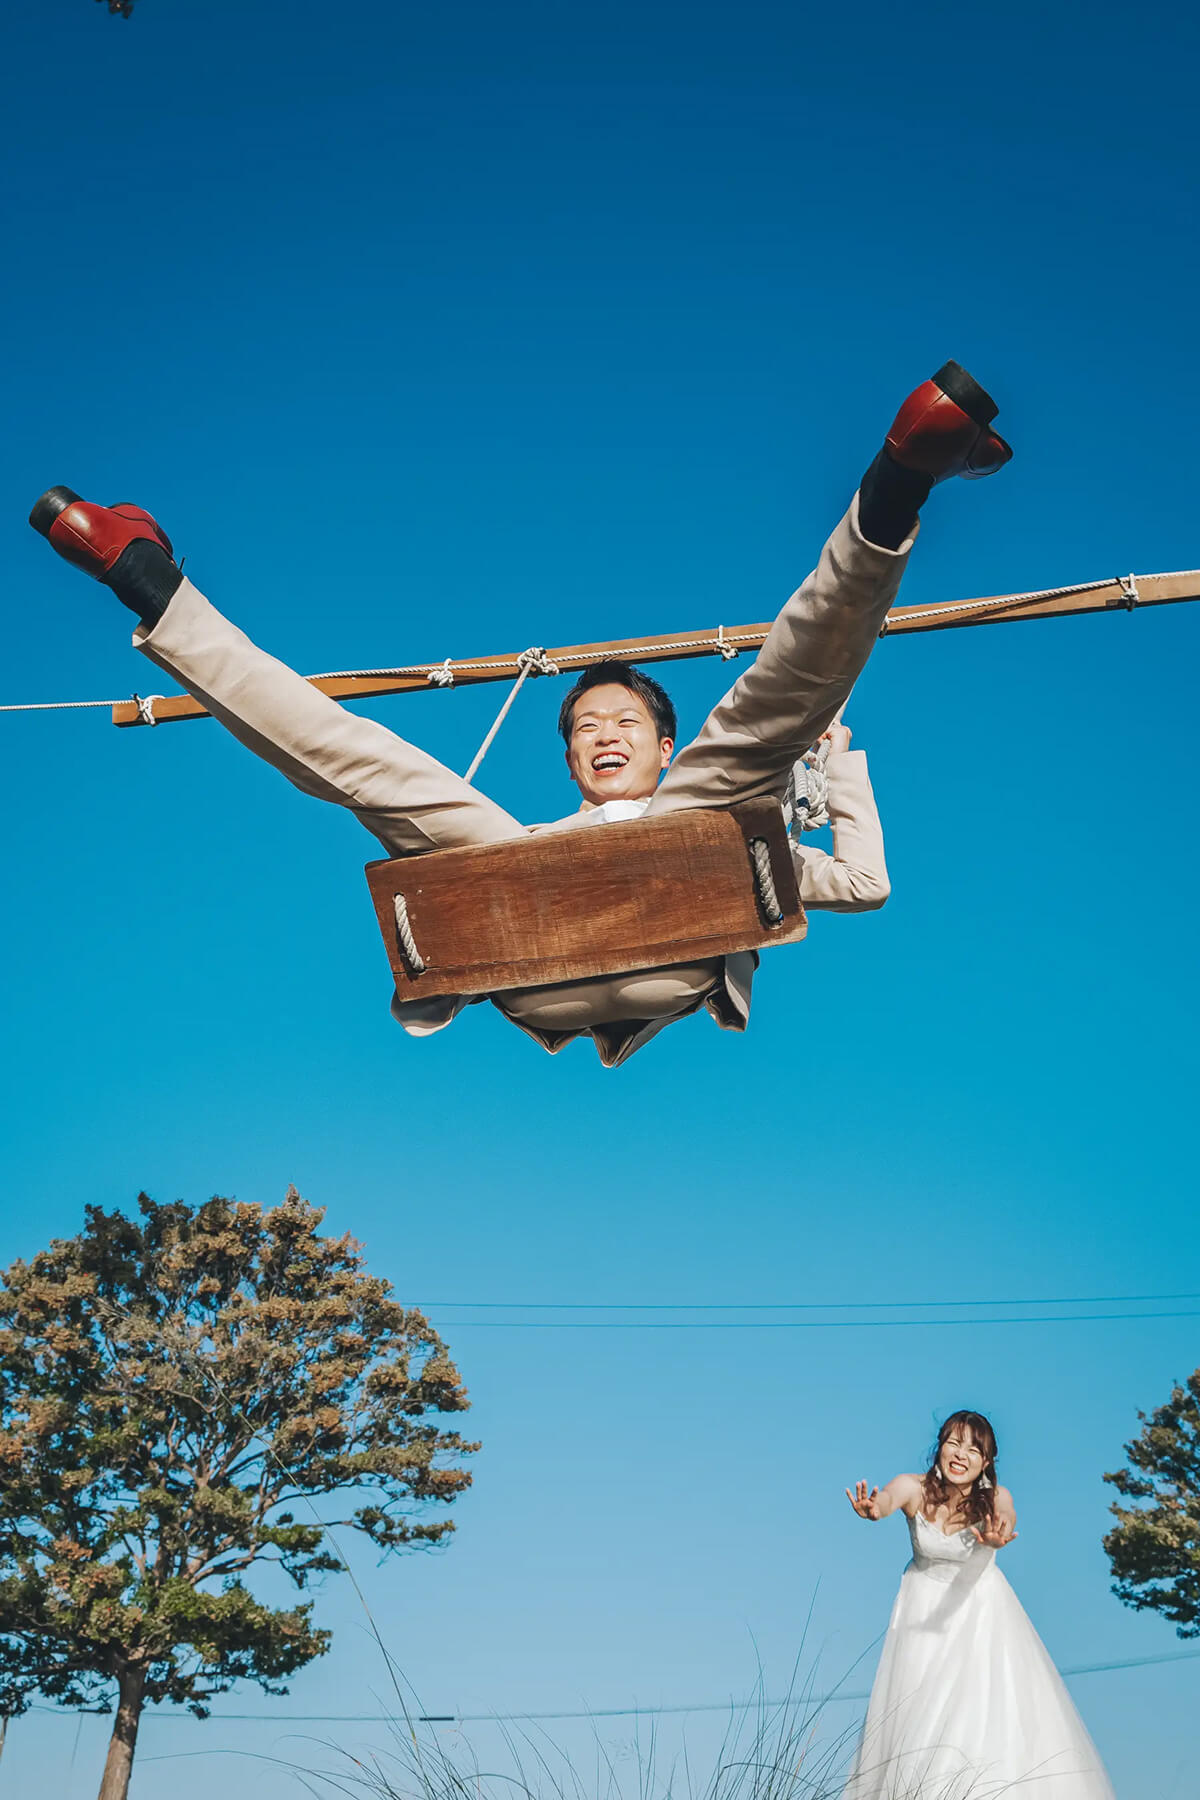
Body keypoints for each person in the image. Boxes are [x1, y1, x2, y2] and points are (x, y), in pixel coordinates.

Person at [30, 360, 1010, 1066]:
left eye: (625, 722)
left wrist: (834, 765)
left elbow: (864, 882)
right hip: (547, 937)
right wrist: (827, 766)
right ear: (576, 761)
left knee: (752, 728)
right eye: (588, 727)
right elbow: (869, 884)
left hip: (605, 927)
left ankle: (160, 592)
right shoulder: (536, 842)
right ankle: (898, 484)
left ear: (664, 748)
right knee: (374, 763)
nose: (607, 734)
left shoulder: (688, 816)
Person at [843, 1411, 1115, 1799]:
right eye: (953, 1442)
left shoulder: (996, 1498)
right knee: (917, 1725)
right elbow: (886, 1500)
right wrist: (874, 1509)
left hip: (981, 1621)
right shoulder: (913, 1487)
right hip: (920, 1623)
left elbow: (1005, 1517)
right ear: (939, 1447)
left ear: (986, 1462)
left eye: (973, 1448)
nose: (960, 1454)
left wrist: (998, 1534)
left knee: (977, 1722)